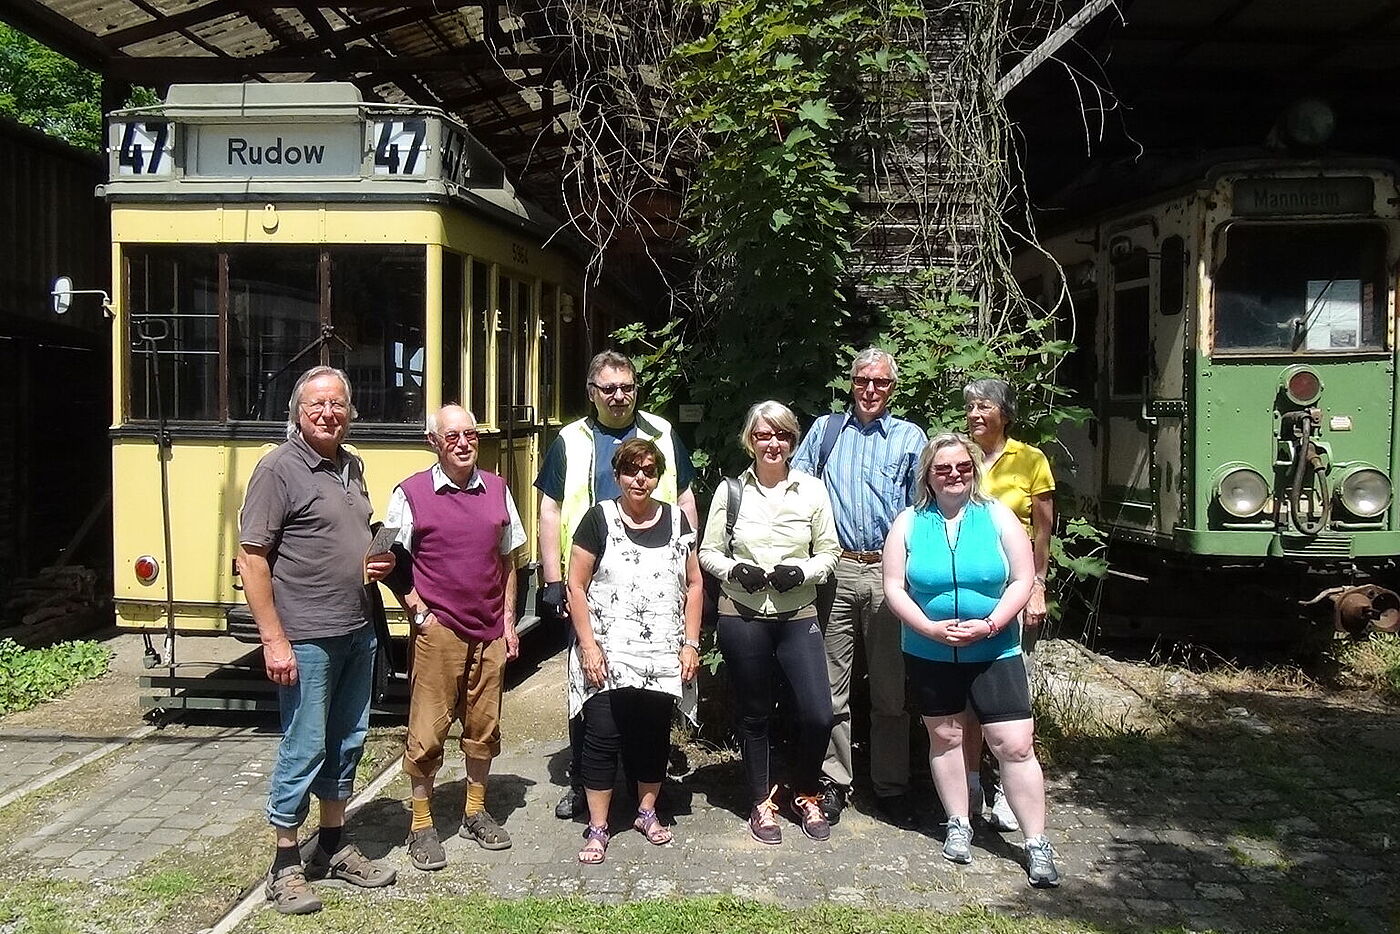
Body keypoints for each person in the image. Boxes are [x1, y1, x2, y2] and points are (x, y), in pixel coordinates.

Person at [237, 366, 398, 915]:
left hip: (357, 628)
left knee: (347, 741)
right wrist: (273, 640)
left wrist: (381, 559)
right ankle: (284, 865)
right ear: (297, 414)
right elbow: (252, 557)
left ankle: (333, 845)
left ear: (350, 412)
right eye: (317, 406)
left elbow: (354, 535)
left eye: (338, 405)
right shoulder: (277, 469)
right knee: (303, 746)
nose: (329, 414)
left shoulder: (351, 465)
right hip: (305, 636)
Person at [882, 433, 1060, 888]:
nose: (954, 475)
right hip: (929, 649)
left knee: (1015, 743)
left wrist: (994, 624)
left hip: (994, 648)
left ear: (973, 471)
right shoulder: (908, 521)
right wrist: (927, 628)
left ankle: (1036, 842)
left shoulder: (998, 515)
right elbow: (894, 587)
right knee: (945, 737)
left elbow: (1023, 579)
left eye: (962, 467)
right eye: (943, 469)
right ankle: (958, 822)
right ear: (928, 475)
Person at [535, 351, 699, 819]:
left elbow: (685, 498)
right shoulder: (571, 439)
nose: (620, 395)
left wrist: (687, 561)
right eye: (609, 388)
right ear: (592, 393)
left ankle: (641, 779)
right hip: (589, 586)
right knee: (590, 685)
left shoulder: (661, 433)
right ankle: (584, 780)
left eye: (626, 386)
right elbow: (550, 508)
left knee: (649, 691)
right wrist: (551, 578)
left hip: (654, 587)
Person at [789, 348, 926, 826]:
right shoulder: (826, 432)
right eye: (863, 380)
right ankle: (833, 784)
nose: (871, 390)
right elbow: (796, 491)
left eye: (881, 383)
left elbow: (921, 510)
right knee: (831, 689)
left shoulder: (910, 437)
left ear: (893, 388)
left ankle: (891, 786)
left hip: (890, 575)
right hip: (837, 570)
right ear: (851, 382)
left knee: (890, 690)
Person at [384, 405, 524, 870]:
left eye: (470, 435)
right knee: (427, 730)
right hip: (439, 629)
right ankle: (421, 825)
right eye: (452, 437)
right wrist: (418, 611)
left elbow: (508, 561)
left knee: (484, 728)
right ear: (434, 443)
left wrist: (508, 623)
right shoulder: (410, 493)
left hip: (489, 630)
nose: (464, 443)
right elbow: (387, 560)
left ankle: (474, 812)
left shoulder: (499, 490)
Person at [699, 401, 840, 844]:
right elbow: (708, 552)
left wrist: (805, 572)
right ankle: (761, 802)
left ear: (792, 441)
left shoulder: (813, 491)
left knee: (818, 713)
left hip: (797, 612)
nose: (772, 443)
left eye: (781, 435)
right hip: (742, 613)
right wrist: (731, 571)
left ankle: (805, 791)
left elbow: (830, 552)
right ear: (750, 441)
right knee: (754, 714)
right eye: (763, 435)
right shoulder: (731, 491)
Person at [565, 438, 702, 863]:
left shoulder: (679, 520)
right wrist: (588, 647)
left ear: (658, 475)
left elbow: (695, 584)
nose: (639, 478)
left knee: (652, 735)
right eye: (630, 470)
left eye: (648, 470)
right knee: (602, 736)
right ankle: (598, 826)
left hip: (662, 652)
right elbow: (576, 586)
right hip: (608, 652)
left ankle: (646, 812)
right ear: (618, 475)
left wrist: (691, 644)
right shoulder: (598, 519)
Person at [962, 378, 1056, 833]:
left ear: (1005, 413)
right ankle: (971, 785)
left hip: (1012, 591)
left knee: (1009, 698)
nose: (976, 415)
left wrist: (1037, 584)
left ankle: (1006, 789)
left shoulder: (1031, 460)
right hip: (962, 591)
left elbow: (1042, 531)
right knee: (965, 696)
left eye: (985, 407)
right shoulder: (957, 457)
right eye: (971, 407)